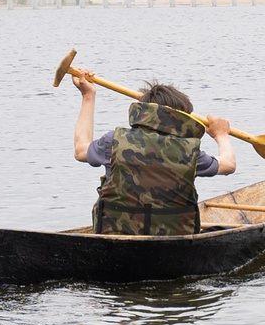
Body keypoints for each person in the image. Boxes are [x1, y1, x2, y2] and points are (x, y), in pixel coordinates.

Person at [73, 73, 237, 236]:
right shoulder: (189, 152)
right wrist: (221, 135)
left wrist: (88, 96)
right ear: (179, 118)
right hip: (175, 240)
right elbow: (228, 164)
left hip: (114, 233)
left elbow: (81, 150)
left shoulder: (112, 141)